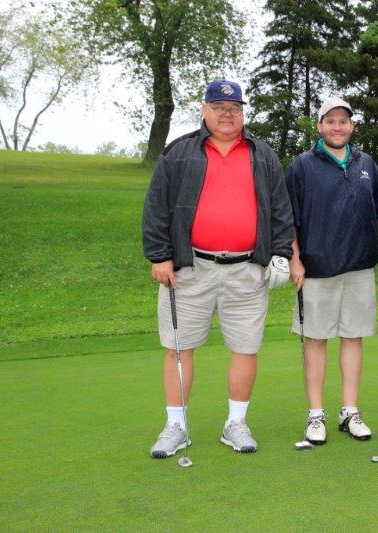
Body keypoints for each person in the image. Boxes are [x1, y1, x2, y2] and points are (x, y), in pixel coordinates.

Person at [142, 79, 293, 457]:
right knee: (178, 347)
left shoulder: (262, 154)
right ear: (204, 110)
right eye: (220, 107)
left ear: (242, 112)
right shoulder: (179, 152)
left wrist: (281, 253)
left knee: (246, 347)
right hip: (189, 268)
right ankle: (176, 426)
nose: (228, 114)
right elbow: (156, 206)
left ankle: (235, 423)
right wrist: (159, 255)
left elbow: (280, 208)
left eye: (235, 108)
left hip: (247, 269)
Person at [286, 97, 378, 445]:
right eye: (330, 121)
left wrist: (377, 247)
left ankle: (350, 411)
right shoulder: (303, 165)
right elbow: (289, 219)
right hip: (317, 268)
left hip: (359, 268)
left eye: (343, 121)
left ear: (351, 126)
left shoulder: (366, 163)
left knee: (353, 337)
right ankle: (316, 414)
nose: (337, 127)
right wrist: (295, 259)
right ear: (319, 126)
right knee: (315, 340)